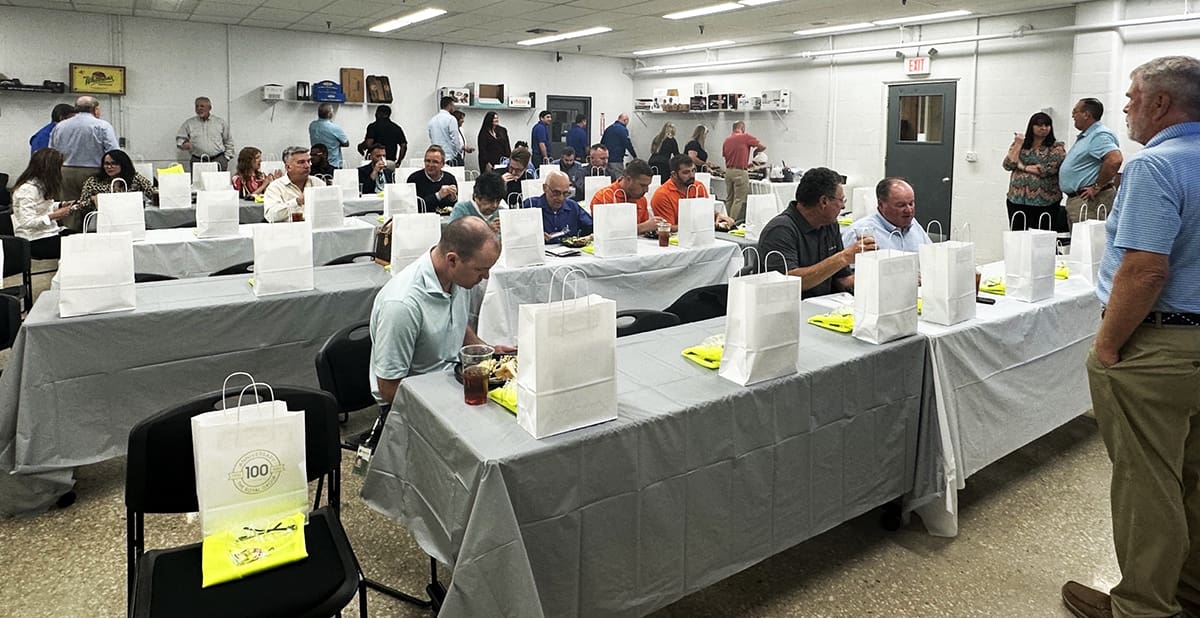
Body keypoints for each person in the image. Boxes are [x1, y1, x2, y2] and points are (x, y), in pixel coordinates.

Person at [1061, 55, 1200, 618]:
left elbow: (1144, 271)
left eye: (1132, 97)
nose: (1125, 107)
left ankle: (1143, 607)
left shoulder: (1156, 166)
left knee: (1148, 480)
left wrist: (1108, 345)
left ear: (1161, 103)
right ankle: (1189, 592)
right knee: (1194, 473)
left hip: (1160, 345)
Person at [369, 216, 507, 406]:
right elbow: (388, 389)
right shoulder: (402, 305)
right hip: (413, 403)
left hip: (452, 384)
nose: (485, 277)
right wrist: (445, 407)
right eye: (480, 270)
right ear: (452, 260)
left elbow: (455, 323)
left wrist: (487, 352)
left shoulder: (457, 278)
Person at [758, 167, 876, 298]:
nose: (843, 206)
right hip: (790, 306)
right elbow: (788, 283)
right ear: (824, 201)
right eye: (841, 200)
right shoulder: (780, 230)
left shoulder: (830, 225)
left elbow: (841, 279)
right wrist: (844, 257)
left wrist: (873, 277)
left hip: (827, 304)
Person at [1060, 97, 1123, 225]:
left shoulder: (1098, 135)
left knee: (1088, 237)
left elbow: (1114, 159)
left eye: (1075, 112)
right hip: (1080, 201)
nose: (1072, 115)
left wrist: (1096, 187)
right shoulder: (1088, 135)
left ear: (1086, 115)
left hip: (1090, 201)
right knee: (1078, 237)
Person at [1003, 112, 1067, 230]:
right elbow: (1008, 165)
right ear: (1031, 126)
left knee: (1042, 237)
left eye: (1047, 125)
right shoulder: (1020, 145)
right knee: (1017, 235)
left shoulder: (1056, 147)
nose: (1044, 128)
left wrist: (1022, 167)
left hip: (1045, 201)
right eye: (1039, 125)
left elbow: (1047, 169)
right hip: (1017, 199)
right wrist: (1018, 144)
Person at [49, 95, 119, 201]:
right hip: (94, 173)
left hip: (66, 173)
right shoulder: (103, 126)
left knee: (69, 206)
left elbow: (51, 151)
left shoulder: (60, 126)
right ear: (95, 109)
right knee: (94, 205)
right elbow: (113, 152)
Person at [11, 148, 76, 260]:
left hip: (50, 233)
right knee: (79, 247)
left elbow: (43, 207)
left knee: (85, 239)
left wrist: (61, 205)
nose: (61, 170)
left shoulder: (41, 185)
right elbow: (27, 222)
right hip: (34, 239)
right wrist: (55, 215)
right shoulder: (26, 190)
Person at [841, 177, 932, 252]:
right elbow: (846, 267)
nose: (908, 210)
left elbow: (931, 257)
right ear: (881, 204)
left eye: (911, 203)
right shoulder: (860, 232)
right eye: (901, 205)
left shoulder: (913, 224)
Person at [650, 153, 734, 231]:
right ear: (674, 174)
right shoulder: (662, 195)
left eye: (693, 170)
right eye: (686, 172)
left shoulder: (698, 186)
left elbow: (705, 212)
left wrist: (717, 215)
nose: (692, 175)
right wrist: (700, 225)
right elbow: (667, 228)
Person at [588, 159, 663, 235]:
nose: (646, 190)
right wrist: (642, 227)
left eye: (647, 186)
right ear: (628, 179)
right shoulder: (603, 197)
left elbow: (645, 231)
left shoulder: (641, 199)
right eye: (642, 185)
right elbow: (605, 232)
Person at [523, 170, 592, 243]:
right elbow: (517, 235)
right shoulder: (530, 206)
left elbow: (592, 228)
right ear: (545, 188)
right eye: (556, 193)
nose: (561, 198)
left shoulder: (573, 207)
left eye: (565, 193)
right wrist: (533, 237)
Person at [78, 149, 158, 210]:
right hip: (103, 218)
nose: (109, 167)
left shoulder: (135, 178)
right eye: (106, 164)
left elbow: (153, 193)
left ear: (123, 165)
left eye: (114, 163)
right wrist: (93, 199)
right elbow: (81, 205)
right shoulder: (93, 181)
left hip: (131, 216)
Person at [263, 146, 324, 223]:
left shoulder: (318, 183)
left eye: (308, 161)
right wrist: (297, 202)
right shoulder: (275, 187)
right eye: (301, 162)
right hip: (288, 229)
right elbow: (271, 216)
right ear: (288, 167)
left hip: (317, 227)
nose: (307, 166)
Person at [722, 121, 766, 222]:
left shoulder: (726, 140)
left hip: (728, 172)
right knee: (738, 199)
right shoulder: (745, 137)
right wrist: (756, 152)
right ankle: (730, 222)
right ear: (742, 128)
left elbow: (726, 156)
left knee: (729, 198)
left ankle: (724, 221)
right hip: (740, 172)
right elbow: (763, 146)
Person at [176, 96, 234, 171]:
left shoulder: (220, 123)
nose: (199, 108)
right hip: (198, 160)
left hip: (218, 159)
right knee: (197, 179)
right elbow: (179, 139)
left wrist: (226, 158)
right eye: (197, 106)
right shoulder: (189, 123)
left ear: (209, 108)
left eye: (202, 106)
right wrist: (184, 144)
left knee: (218, 179)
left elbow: (228, 141)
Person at [449, 171, 505, 235]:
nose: (495, 205)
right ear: (476, 196)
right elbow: (453, 236)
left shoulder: (501, 212)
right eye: (490, 200)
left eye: (498, 201)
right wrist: (486, 231)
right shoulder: (461, 210)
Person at [406, 145, 458, 213]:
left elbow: (454, 207)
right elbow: (413, 207)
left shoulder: (450, 179)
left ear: (442, 164)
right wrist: (438, 196)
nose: (430, 165)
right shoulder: (414, 179)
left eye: (435, 162)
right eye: (428, 161)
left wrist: (453, 199)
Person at [308, 103, 350, 169]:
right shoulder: (334, 128)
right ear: (329, 114)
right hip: (332, 164)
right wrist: (335, 144)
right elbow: (346, 143)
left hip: (316, 164)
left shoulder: (312, 125)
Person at [427, 96, 463, 167]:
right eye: (453, 105)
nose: (454, 108)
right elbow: (455, 139)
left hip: (436, 156)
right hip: (449, 158)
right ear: (450, 105)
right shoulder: (451, 119)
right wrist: (457, 152)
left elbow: (431, 138)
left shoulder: (432, 120)